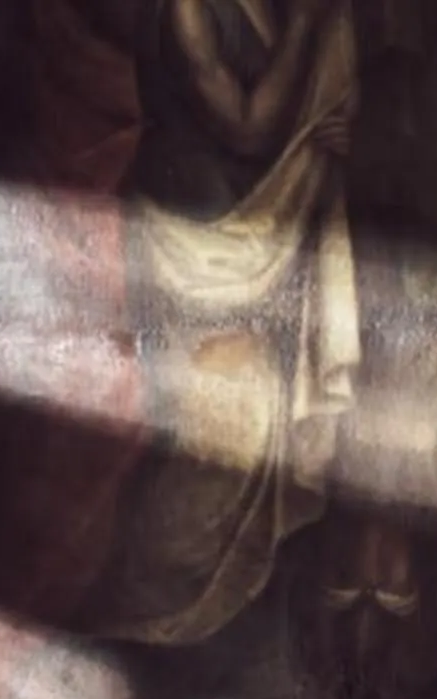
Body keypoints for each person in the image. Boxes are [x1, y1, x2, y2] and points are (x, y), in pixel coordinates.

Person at [93, 0, 363, 648]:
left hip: (262, 240)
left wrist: (338, 127)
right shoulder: (186, 9)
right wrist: (306, 26)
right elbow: (246, 127)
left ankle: (219, 636)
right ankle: (146, 622)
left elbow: (311, 103)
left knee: (256, 416)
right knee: (211, 428)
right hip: (189, 248)